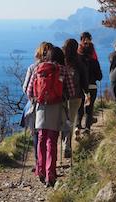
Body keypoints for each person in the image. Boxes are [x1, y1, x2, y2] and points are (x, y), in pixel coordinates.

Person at [27, 46, 75, 187]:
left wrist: (38, 98)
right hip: (57, 107)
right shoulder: (63, 70)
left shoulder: (39, 67)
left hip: (41, 108)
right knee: (52, 141)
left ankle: (40, 170)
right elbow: (71, 91)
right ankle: (50, 174)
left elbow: (29, 91)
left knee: (41, 138)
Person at [21, 42, 53, 172]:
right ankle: (50, 163)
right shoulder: (56, 67)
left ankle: (38, 162)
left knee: (36, 134)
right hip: (52, 105)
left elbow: (26, 89)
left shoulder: (33, 67)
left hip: (35, 105)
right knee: (50, 135)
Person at [61, 39, 89, 158]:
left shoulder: (60, 60)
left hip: (61, 97)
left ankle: (60, 143)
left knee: (62, 120)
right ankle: (67, 145)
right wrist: (87, 93)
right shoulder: (78, 61)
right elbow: (84, 80)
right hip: (76, 96)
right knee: (70, 121)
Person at [76, 42, 102, 136]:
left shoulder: (78, 61)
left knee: (79, 108)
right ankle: (87, 128)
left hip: (81, 88)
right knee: (89, 109)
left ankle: (77, 126)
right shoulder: (94, 61)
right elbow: (99, 77)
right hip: (92, 87)